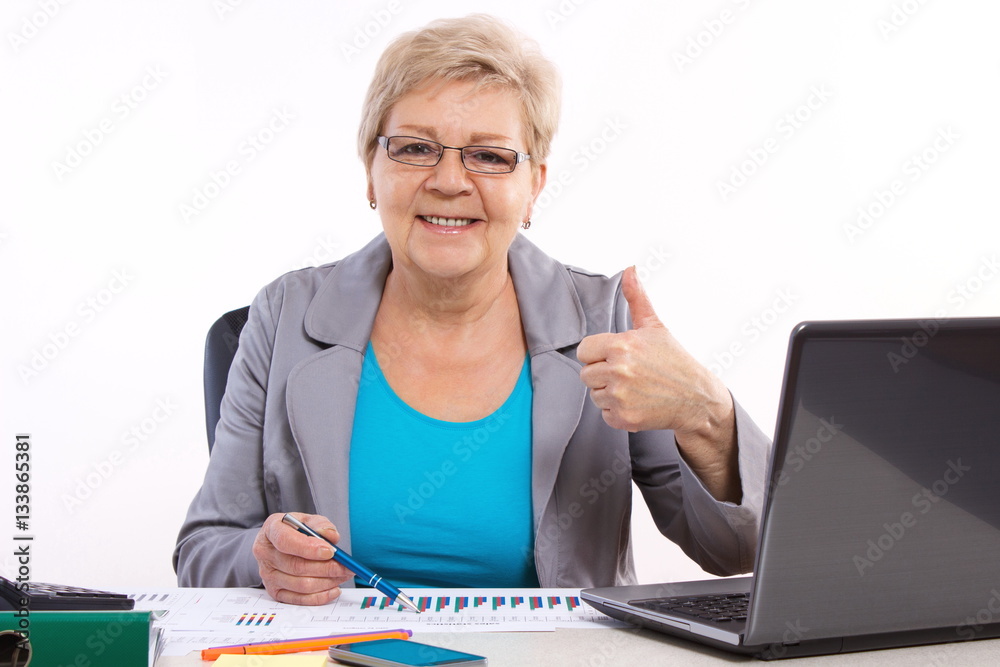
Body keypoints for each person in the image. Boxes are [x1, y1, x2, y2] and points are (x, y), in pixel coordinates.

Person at [174, 14, 770, 606]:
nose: (450, 181)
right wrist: (264, 557)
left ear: (534, 184)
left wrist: (707, 413)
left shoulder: (601, 319)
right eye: (414, 148)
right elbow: (203, 549)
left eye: (489, 157)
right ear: (371, 174)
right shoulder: (283, 316)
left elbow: (736, 551)